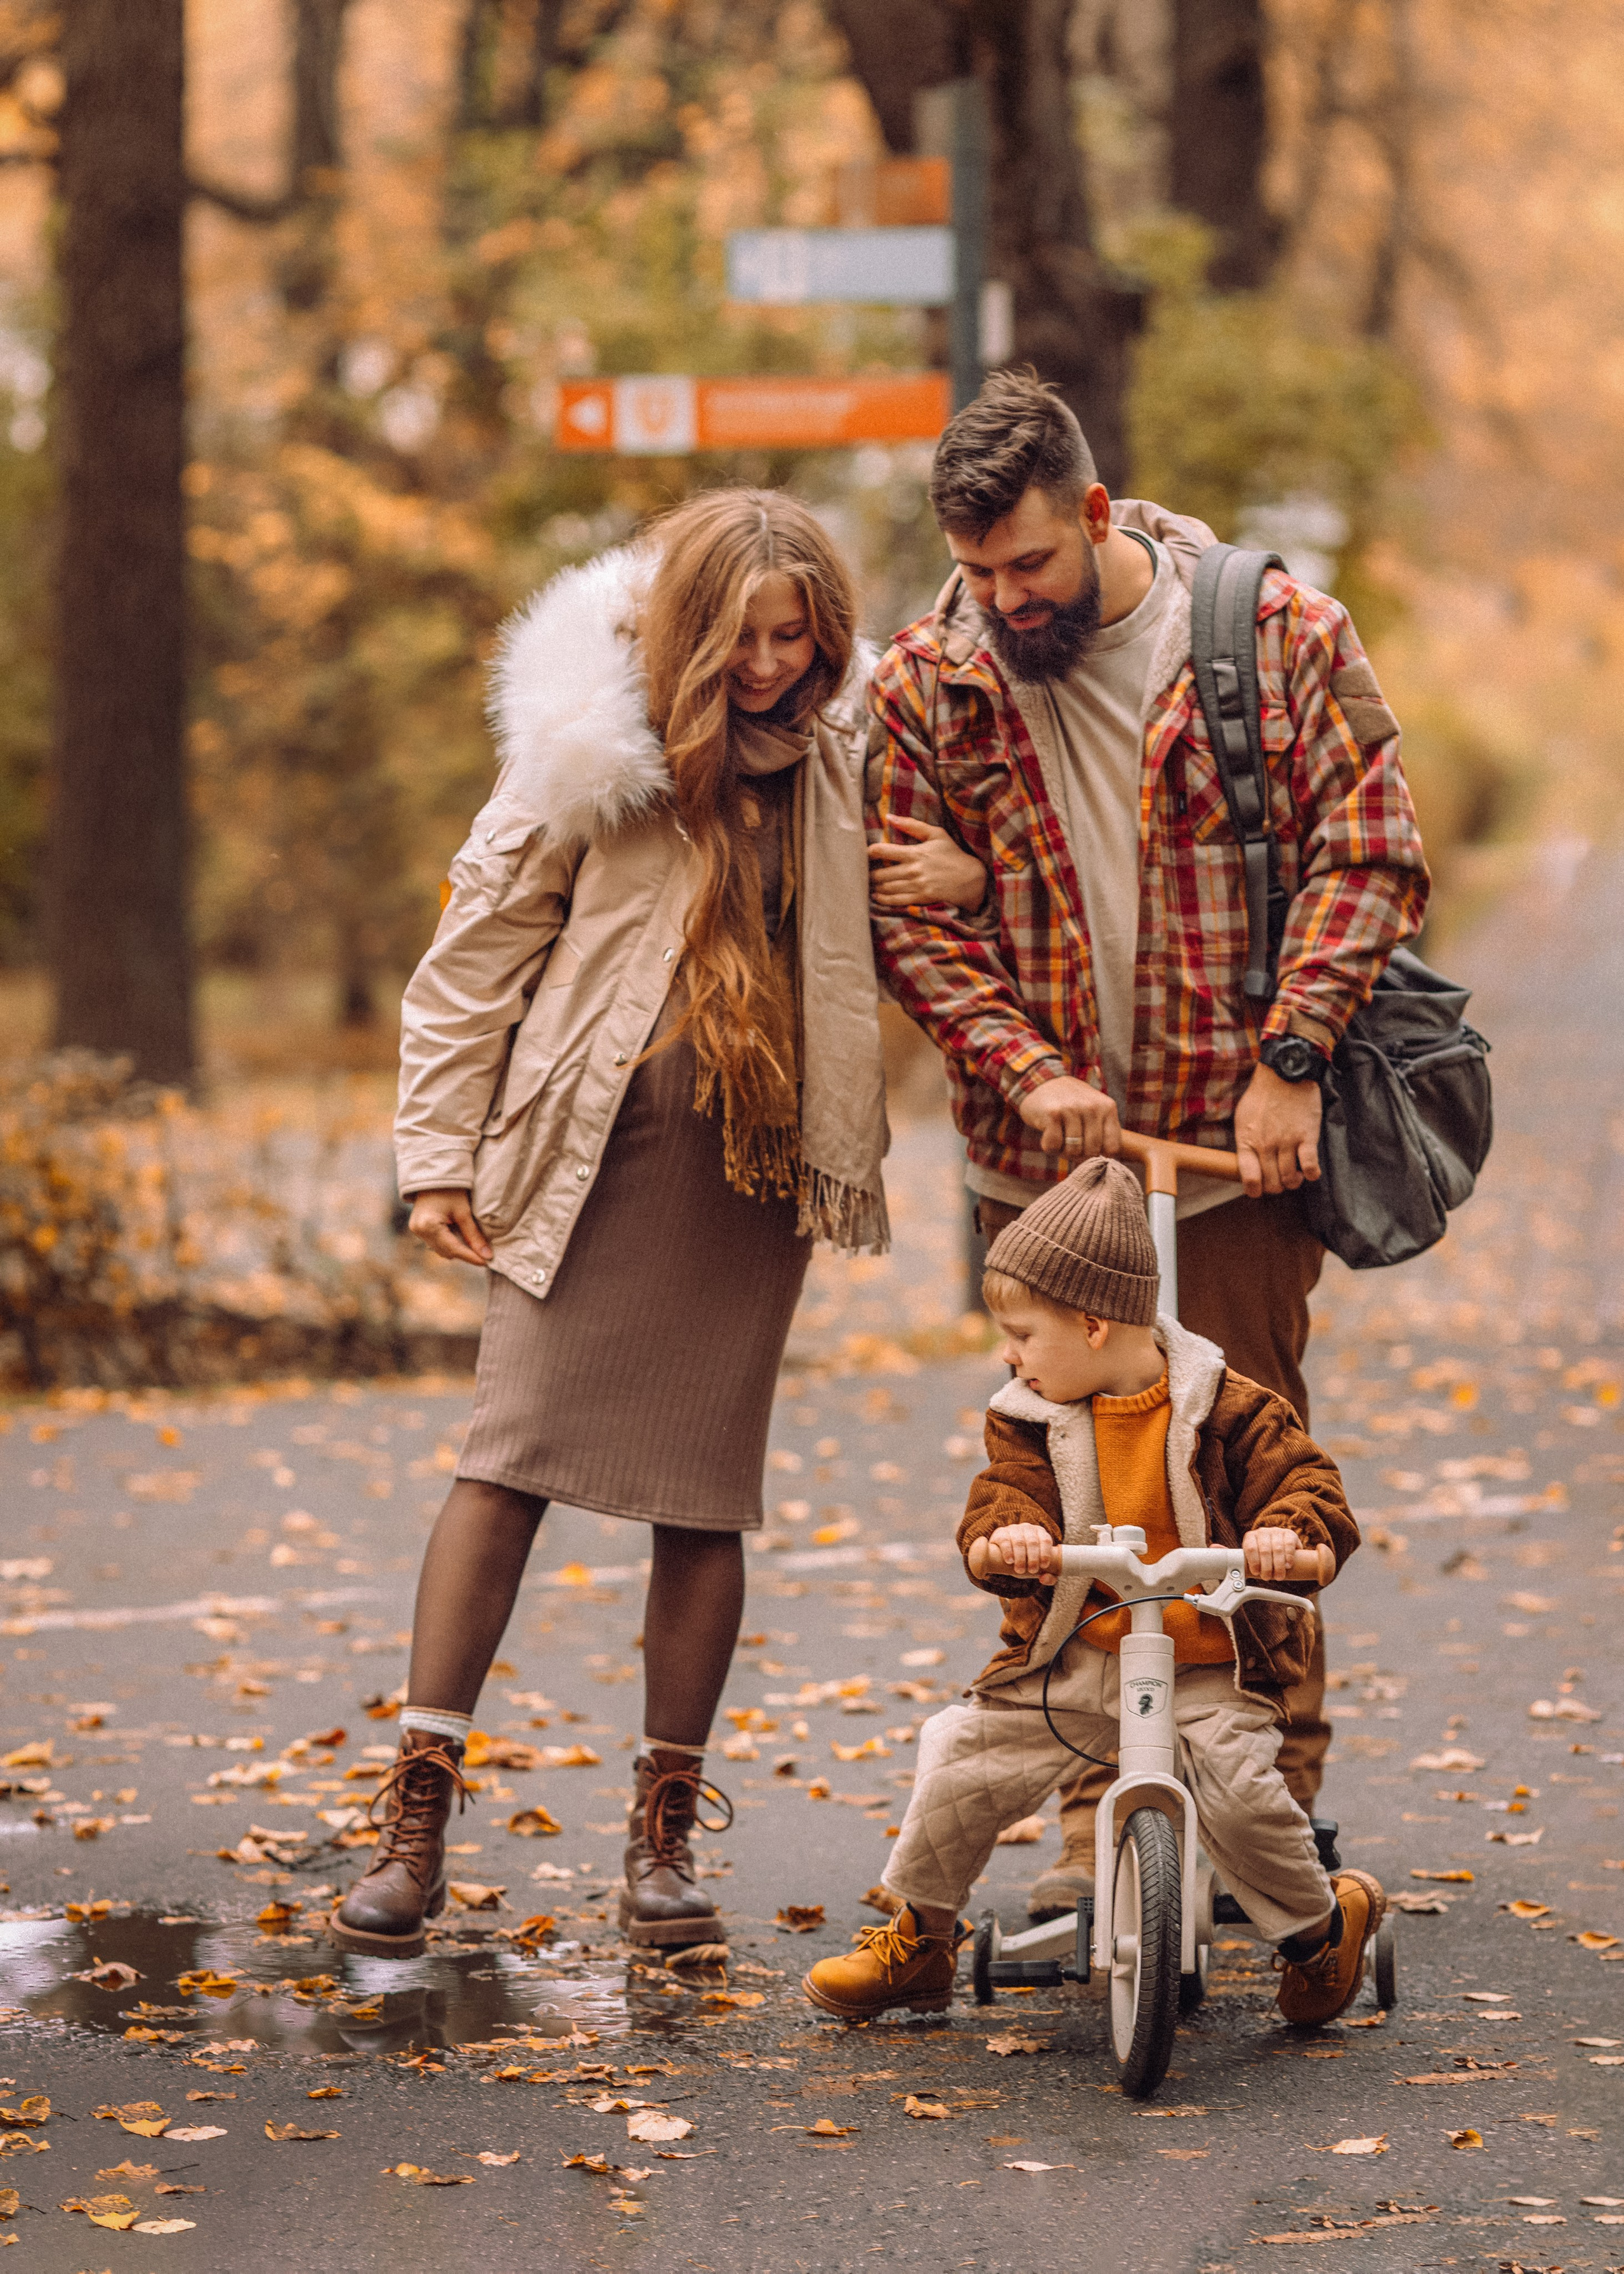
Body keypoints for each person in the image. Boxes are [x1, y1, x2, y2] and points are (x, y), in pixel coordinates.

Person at [863, 367, 1429, 1921]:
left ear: (1095, 515)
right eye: (973, 572)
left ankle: (1266, 1818)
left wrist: (1292, 1058)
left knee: (1238, 1479)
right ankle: (1090, 1827)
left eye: (1027, 565)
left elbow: (1367, 854)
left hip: (1226, 1148)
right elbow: (902, 924)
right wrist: (1019, 1065)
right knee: (1062, 1482)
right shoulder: (928, 680)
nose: (1000, 600)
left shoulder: (1271, 639)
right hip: (1038, 1169)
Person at [332, 489, 889, 1959]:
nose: (770, 664)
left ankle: (658, 1843)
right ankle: (417, 1812)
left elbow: (893, 921)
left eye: (797, 634)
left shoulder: (847, 754)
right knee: (504, 1459)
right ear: (689, 626)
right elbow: (472, 958)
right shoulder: (595, 747)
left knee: (703, 1494)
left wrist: (945, 876)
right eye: (746, 635)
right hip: (589, 1147)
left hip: (752, 1172)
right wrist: (436, 1156)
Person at [802, 1157, 1384, 2029]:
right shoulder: (1029, 1416)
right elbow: (1004, 1497)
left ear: (1094, 1323)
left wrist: (1288, 1540)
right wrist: (1009, 1540)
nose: (1011, 1355)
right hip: (1080, 1659)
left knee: (1244, 1794)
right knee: (962, 1755)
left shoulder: (1232, 1408)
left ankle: (1317, 1938)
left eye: (1025, 1334)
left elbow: (1309, 1489)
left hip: (1210, 1667)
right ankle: (918, 1939)